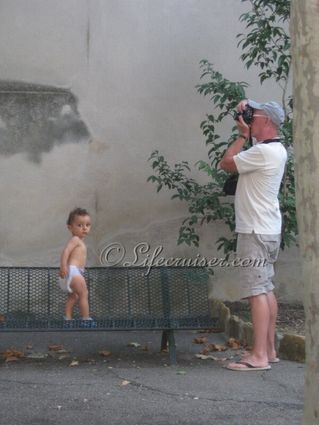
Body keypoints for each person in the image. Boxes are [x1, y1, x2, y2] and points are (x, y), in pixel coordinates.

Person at [219, 99, 287, 371]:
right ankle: (268, 350)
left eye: (254, 116)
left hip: (255, 231)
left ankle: (258, 356)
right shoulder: (275, 149)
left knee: (256, 291)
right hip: (267, 229)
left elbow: (226, 163)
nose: (249, 119)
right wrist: (249, 129)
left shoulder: (262, 153)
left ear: (268, 122)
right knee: (266, 289)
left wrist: (241, 136)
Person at [59, 207, 94, 323]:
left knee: (73, 296)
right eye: (79, 225)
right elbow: (66, 252)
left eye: (87, 225)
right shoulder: (75, 239)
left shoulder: (80, 241)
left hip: (74, 271)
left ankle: (67, 318)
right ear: (70, 227)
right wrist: (63, 266)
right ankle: (86, 319)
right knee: (84, 293)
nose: (84, 228)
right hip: (73, 271)